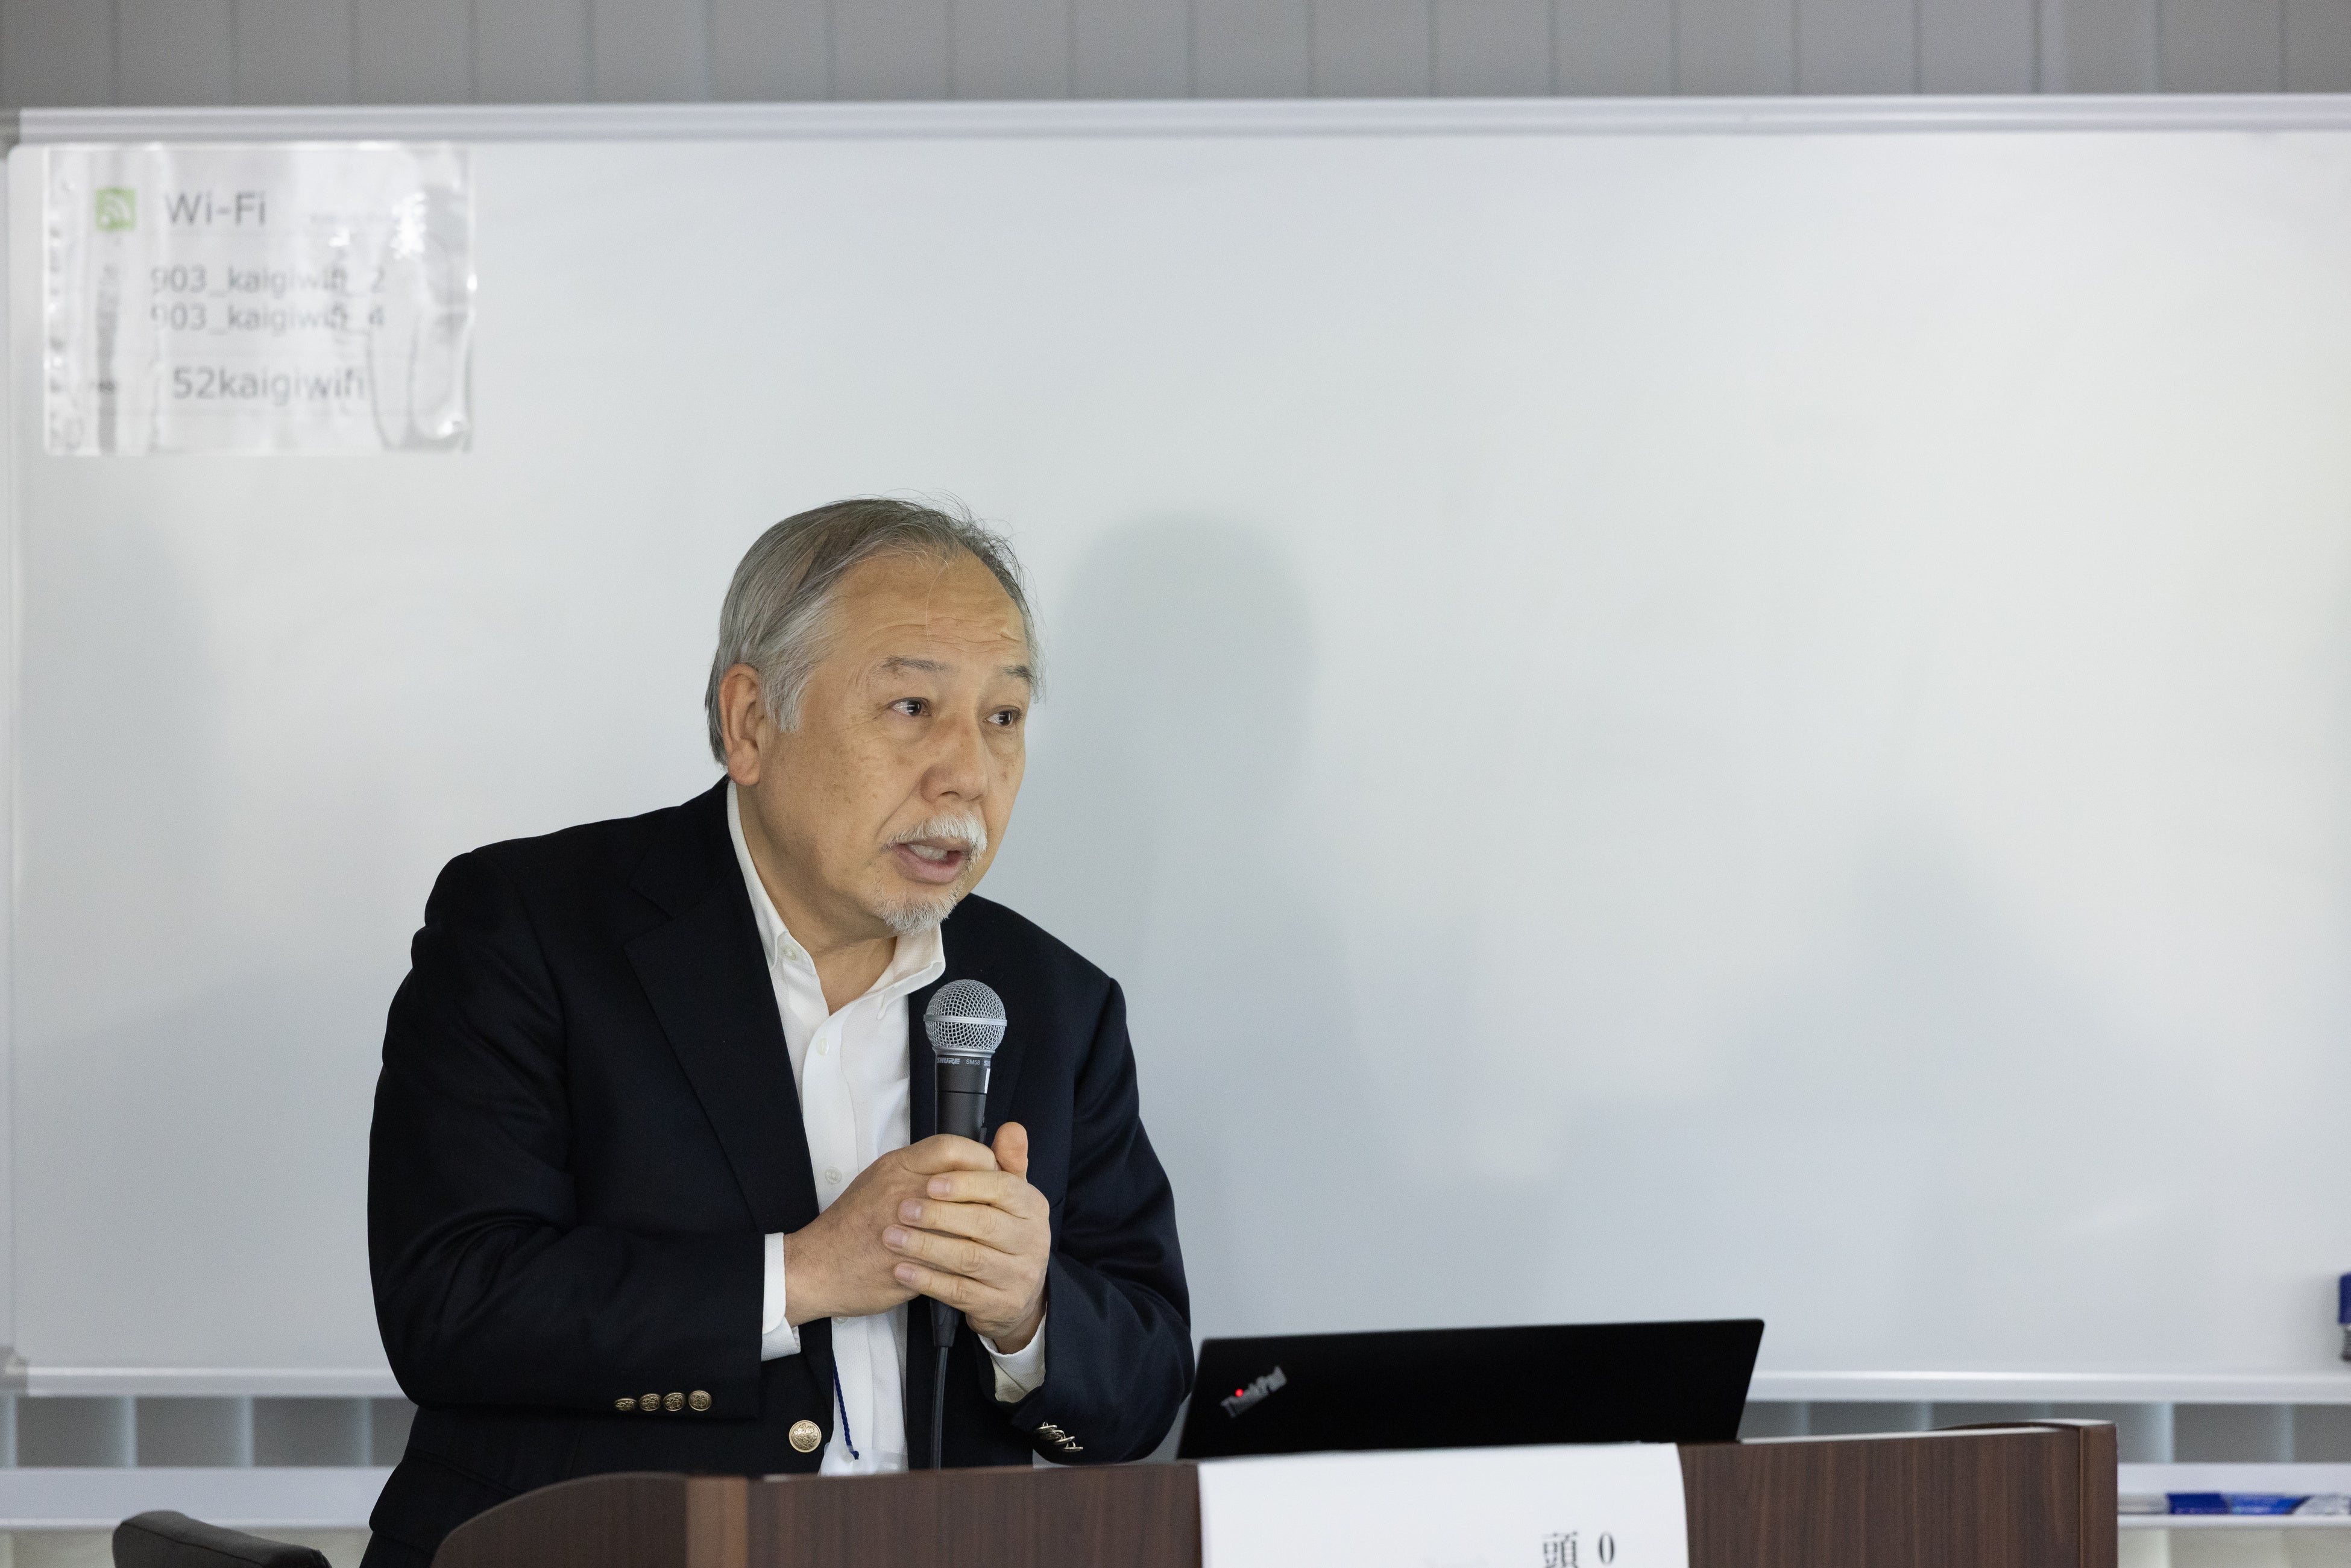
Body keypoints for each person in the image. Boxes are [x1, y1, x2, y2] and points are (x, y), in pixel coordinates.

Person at [360, 499, 1192, 1568]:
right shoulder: (531, 927)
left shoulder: (1051, 1000)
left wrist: (1028, 1313)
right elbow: (452, 1303)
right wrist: (802, 1271)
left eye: (1003, 717)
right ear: (751, 722)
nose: (967, 775)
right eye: (911, 706)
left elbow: (1145, 1380)